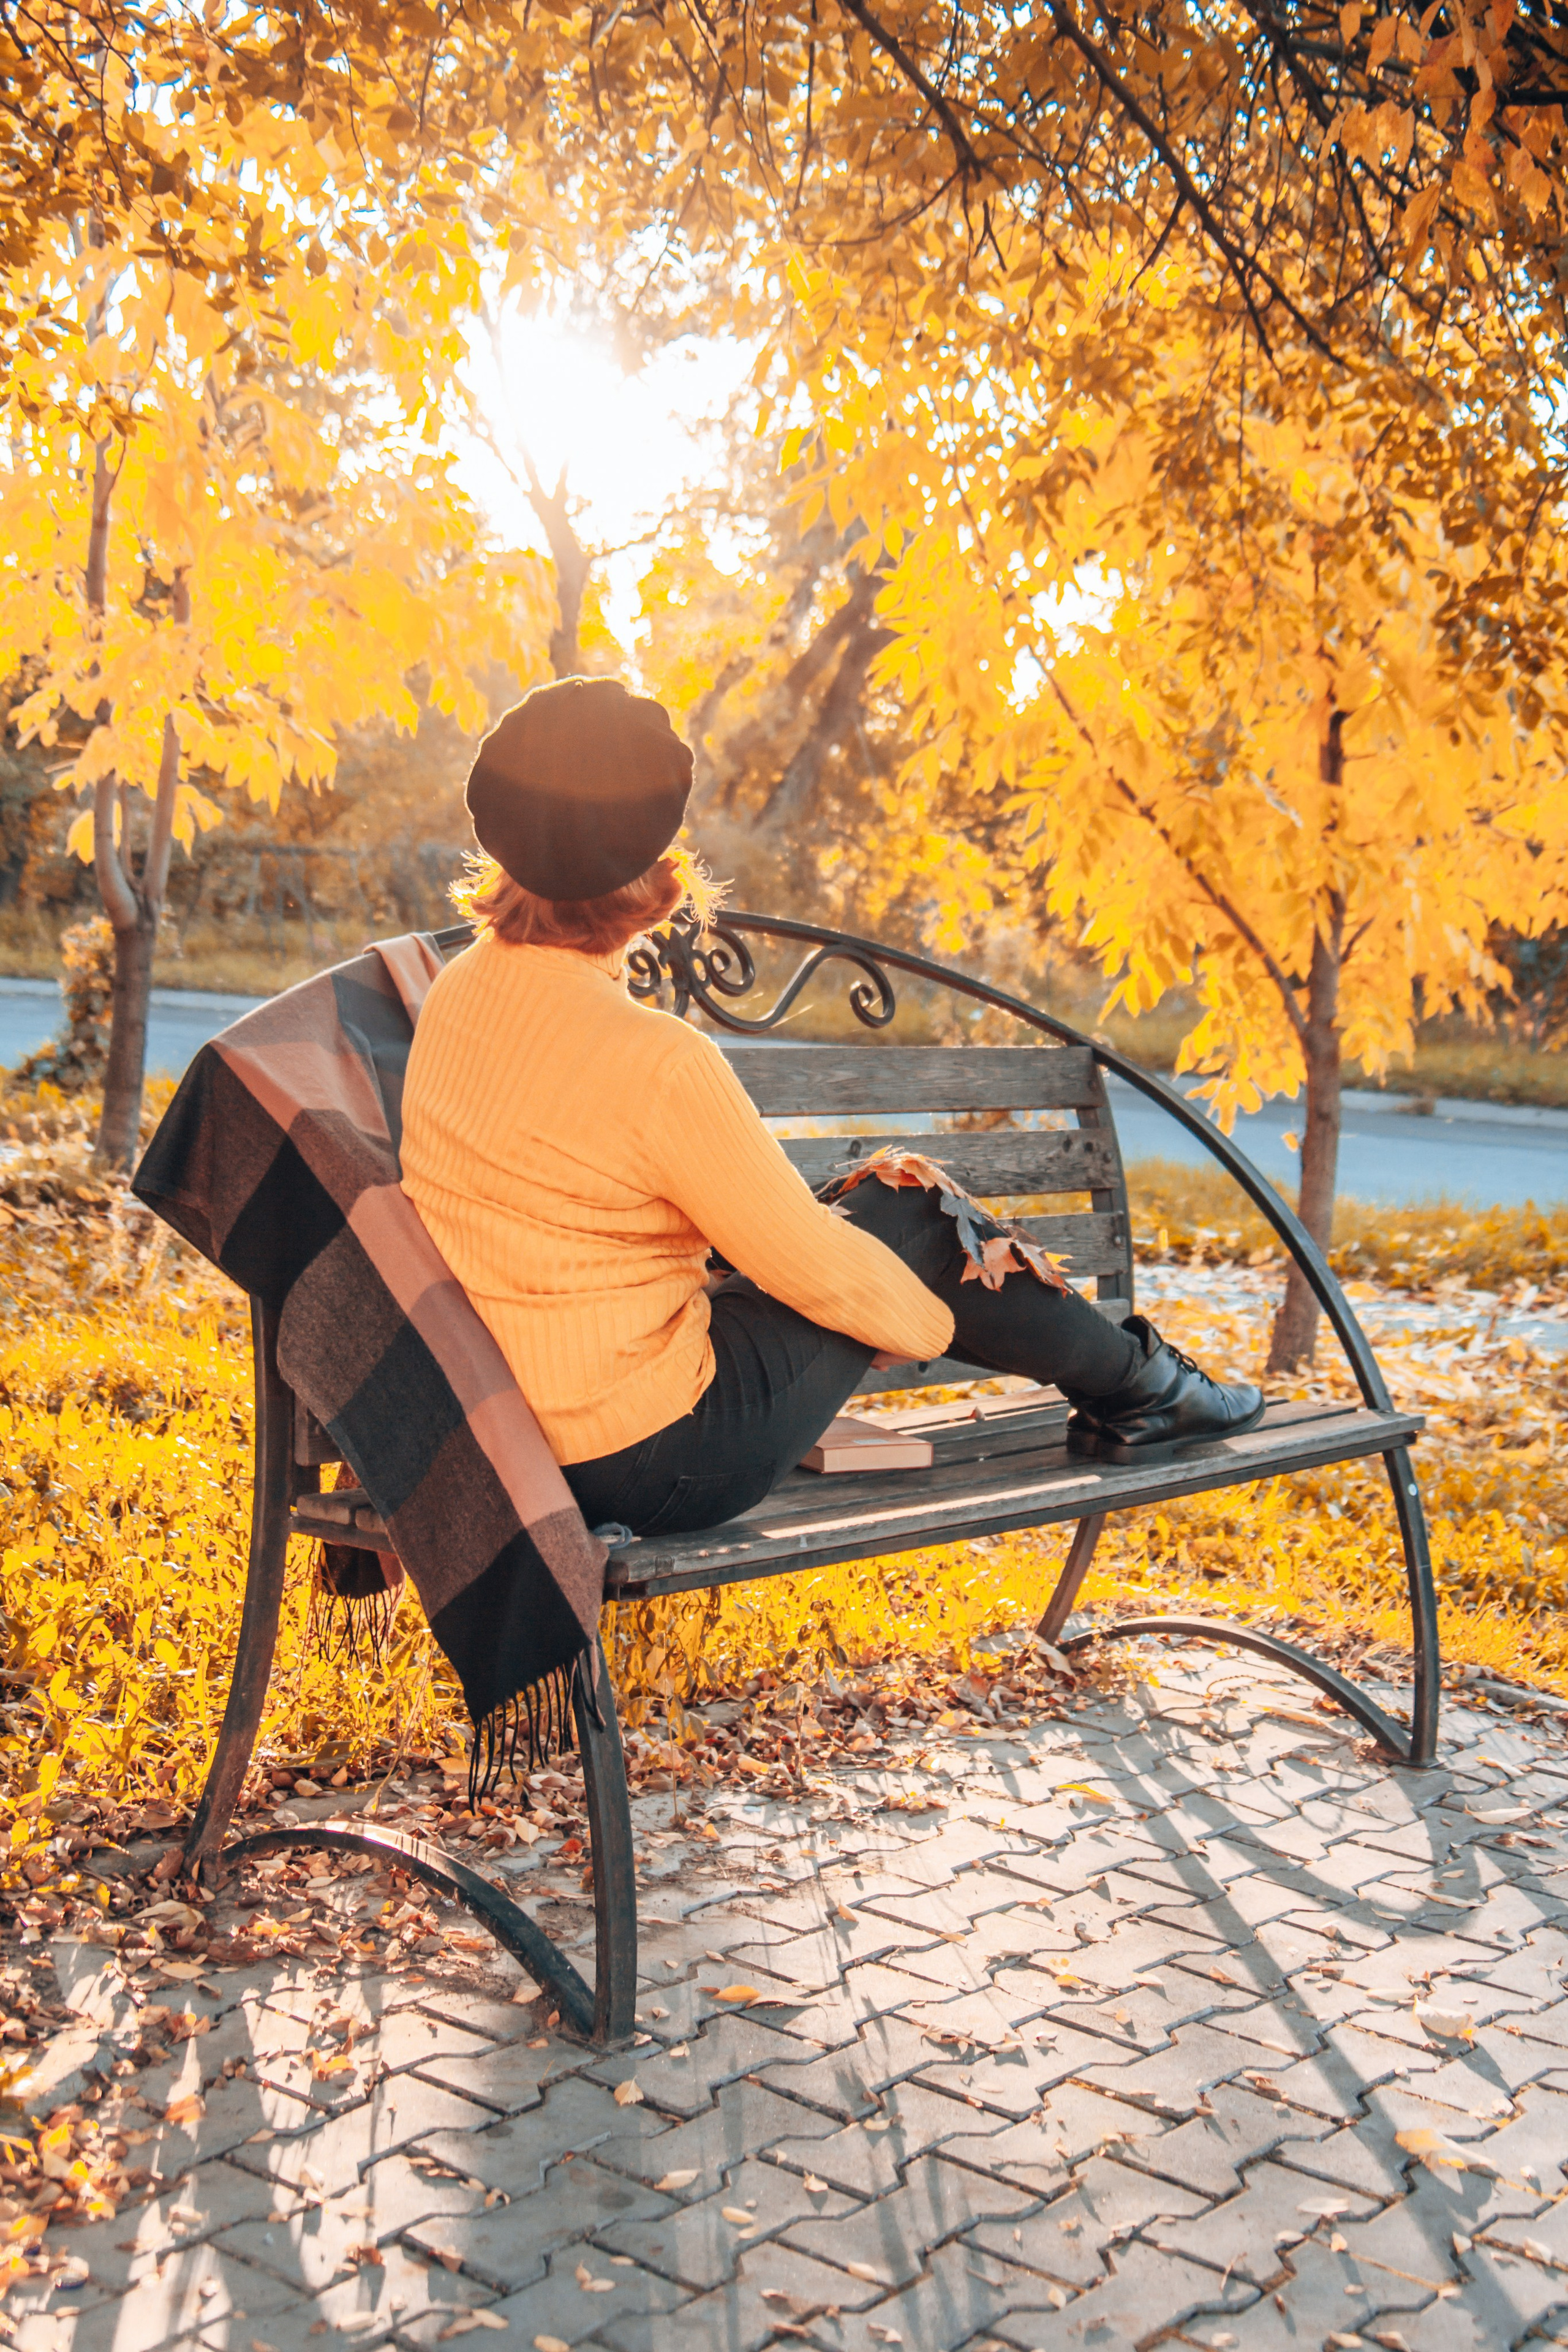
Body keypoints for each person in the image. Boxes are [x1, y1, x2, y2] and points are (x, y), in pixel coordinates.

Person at [401, 676, 1264, 1542]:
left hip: (511, 1429)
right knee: (915, 1212)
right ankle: (1149, 1389)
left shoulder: (458, 992)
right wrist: (915, 1322)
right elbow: (810, 1263)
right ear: (655, 869)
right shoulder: (656, 1059)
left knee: (875, 1216)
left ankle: (1142, 1388)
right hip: (650, 1458)